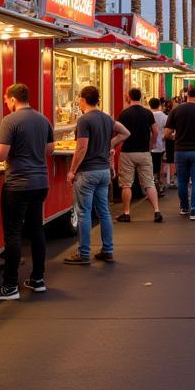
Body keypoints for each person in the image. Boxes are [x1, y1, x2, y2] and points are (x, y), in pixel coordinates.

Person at [0, 82, 55, 300]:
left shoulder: (10, 120)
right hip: (40, 182)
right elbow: (49, 149)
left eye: (6, 100)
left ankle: (10, 285)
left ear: (13, 99)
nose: (6, 104)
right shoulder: (43, 119)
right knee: (36, 230)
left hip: (18, 184)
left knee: (13, 234)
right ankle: (38, 279)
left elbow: (1, 155)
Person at [64, 86, 130, 265]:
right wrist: (110, 144)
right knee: (104, 212)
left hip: (87, 172)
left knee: (84, 213)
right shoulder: (107, 118)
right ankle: (107, 250)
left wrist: (72, 170)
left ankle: (83, 253)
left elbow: (82, 147)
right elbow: (125, 132)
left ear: (83, 99)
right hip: (103, 172)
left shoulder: (85, 120)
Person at [165, 86, 195, 219]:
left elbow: (167, 133)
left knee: (182, 181)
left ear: (186, 95)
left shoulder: (176, 110)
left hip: (180, 150)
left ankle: (183, 207)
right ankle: (194, 210)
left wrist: (176, 136)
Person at [116, 88, 163, 223]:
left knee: (126, 184)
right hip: (144, 152)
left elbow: (119, 133)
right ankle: (156, 211)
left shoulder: (124, 114)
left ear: (129, 97)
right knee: (149, 183)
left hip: (127, 152)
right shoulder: (147, 113)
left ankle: (126, 212)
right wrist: (152, 144)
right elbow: (155, 131)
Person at [149, 97, 168, 197]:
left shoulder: (148, 115)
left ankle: (154, 187)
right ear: (159, 105)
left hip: (150, 145)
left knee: (152, 168)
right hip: (161, 145)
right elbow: (169, 130)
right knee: (160, 166)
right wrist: (164, 137)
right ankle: (159, 185)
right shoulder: (164, 116)